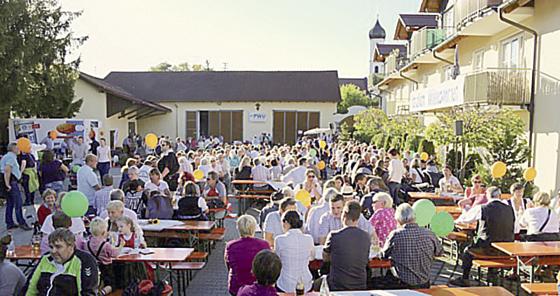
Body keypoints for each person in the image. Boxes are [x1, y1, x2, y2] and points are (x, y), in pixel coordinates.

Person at [450, 187, 515, 287]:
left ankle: (465, 278)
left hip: (487, 248)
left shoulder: (483, 208)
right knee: (493, 242)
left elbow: (465, 219)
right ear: (499, 196)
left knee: (467, 251)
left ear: (488, 196)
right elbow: (517, 228)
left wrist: (455, 220)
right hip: (505, 249)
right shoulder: (510, 209)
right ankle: (492, 274)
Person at [379, 203, 442, 289]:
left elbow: (384, 256)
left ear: (398, 219)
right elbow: (439, 252)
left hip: (402, 282)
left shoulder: (396, 234)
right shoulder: (429, 233)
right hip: (424, 282)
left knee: (380, 279)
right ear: (414, 217)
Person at [317, 200, 371, 291]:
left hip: (336, 285)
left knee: (314, 285)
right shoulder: (366, 237)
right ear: (357, 218)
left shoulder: (334, 235)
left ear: (344, 215)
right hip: (360, 285)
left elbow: (325, 257)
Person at [28, 228, 99, 295]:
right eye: (51, 247)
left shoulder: (85, 260)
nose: (53, 251)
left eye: (58, 247)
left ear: (71, 247)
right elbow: (30, 287)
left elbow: (88, 292)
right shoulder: (46, 258)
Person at [225, 215, 270, 295]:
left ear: (238, 228)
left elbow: (229, 265)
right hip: (258, 287)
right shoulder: (264, 245)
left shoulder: (230, 246)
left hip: (237, 287)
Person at [274, 210, 315, 293]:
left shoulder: (279, 240)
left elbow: (277, 260)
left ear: (285, 223)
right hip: (306, 284)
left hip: (285, 284)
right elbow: (312, 257)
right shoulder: (309, 238)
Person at [85, 218, 124, 296]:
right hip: (106, 267)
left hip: (93, 266)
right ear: (103, 232)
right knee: (111, 284)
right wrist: (121, 246)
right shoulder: (105, 245)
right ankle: (102, 292)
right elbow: (115, 254)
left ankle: (97, 290)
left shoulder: (87, 243)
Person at [0, 142, 31, 230]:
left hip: (8, 180)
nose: (19, 150)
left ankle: (9, 223)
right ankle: (21, 222)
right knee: (18, 203)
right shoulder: (10, 157)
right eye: (18, 148)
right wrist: (7, 184)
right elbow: (7, 170)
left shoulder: (7, 156)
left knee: (10, 203)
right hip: (11, 181)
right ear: (14, 149)